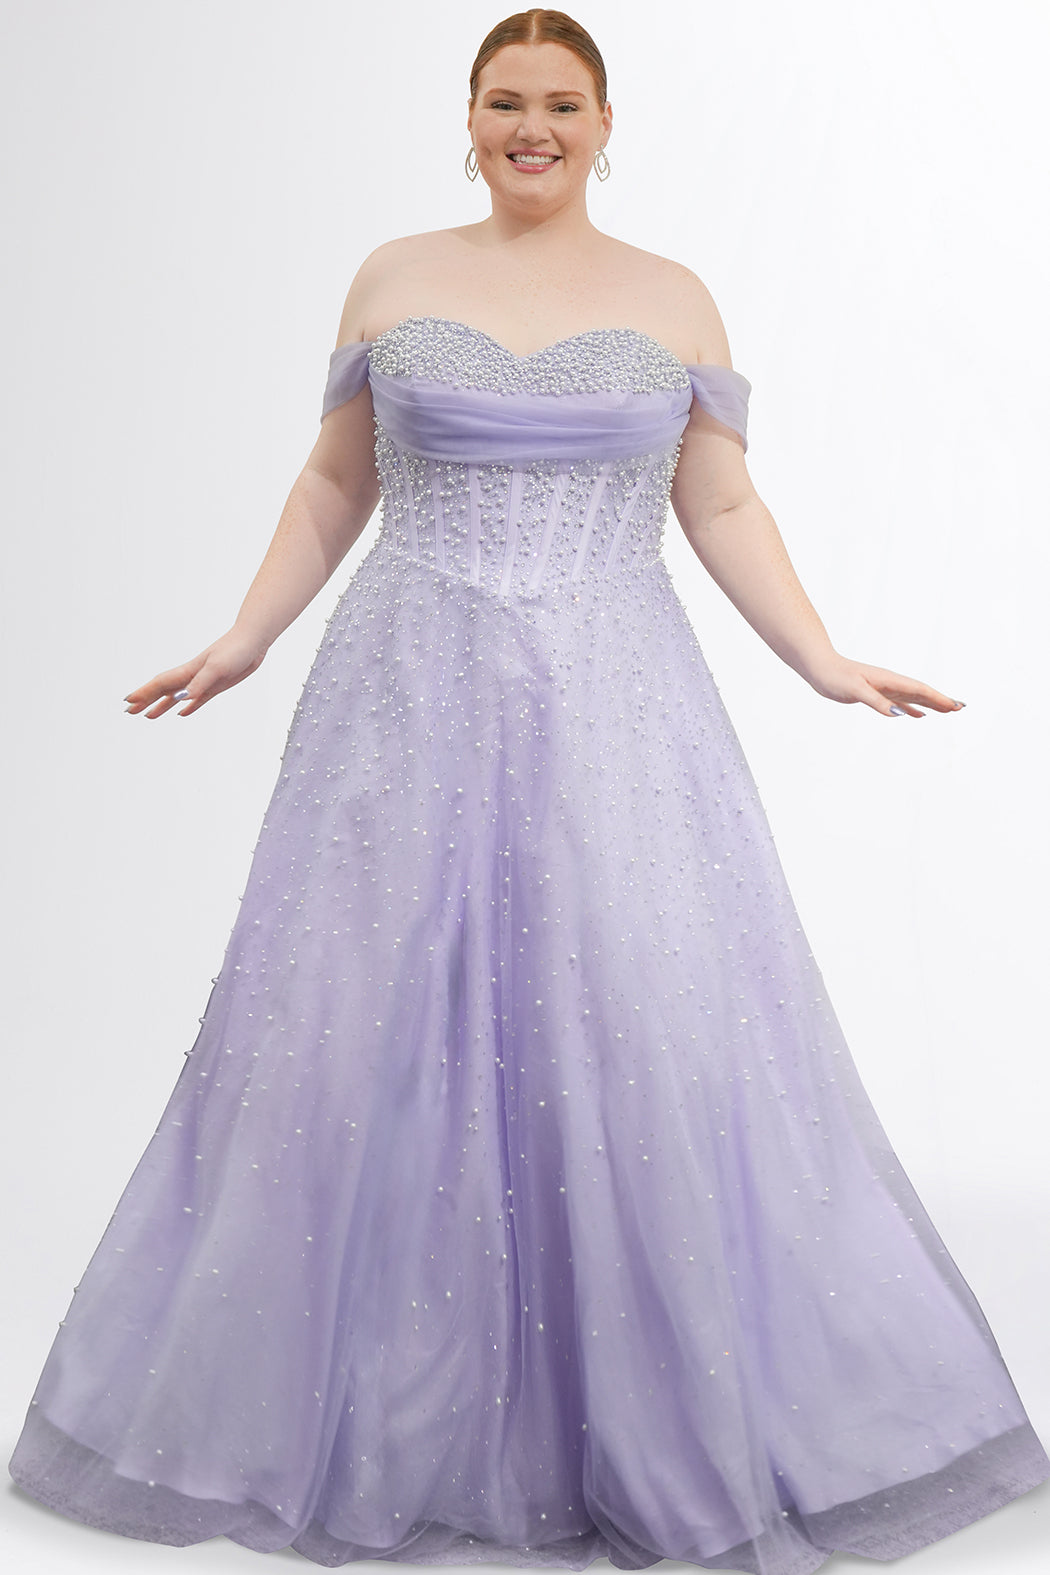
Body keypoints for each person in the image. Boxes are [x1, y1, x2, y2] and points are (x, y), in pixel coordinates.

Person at [9, 8, 1047, 1573]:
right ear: (468, 116)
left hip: (616, 693)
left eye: (561, 103)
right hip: (407, 686)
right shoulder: (392, 276)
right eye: (505, 101)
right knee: (366, 1016)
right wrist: (244, 635)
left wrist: (819, 658)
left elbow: (720, 502)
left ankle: (646, 1413)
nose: (532, 128)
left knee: (628, 1006)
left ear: (605, 123)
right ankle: (371, 1412)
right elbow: (335, 479)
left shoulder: (672, 296)